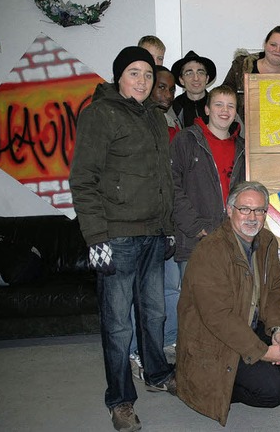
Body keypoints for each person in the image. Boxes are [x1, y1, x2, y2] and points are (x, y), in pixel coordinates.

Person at [69, 46, 177, 432]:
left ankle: (157, 372)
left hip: (152, 234)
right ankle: (119, 400)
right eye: (134, 73)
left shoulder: (154, 117)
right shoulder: (100, 114)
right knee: (118, 326)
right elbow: (83, 180)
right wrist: (96, 237)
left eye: (148, 75)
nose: (143, 81)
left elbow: (164, 181)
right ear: (119, 77)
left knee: (155, 313)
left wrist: (167, 228)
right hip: (117, 237)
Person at [176, 181, 280, 426]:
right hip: (217, 343)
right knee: (274, 393)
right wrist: (262, 351)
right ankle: (216, 391)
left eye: (259, 210)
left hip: (248, 327)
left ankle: (276, 370)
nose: (252, 217)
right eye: (244, 209)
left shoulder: (267, 242)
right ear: (230, 211)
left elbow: (274, 292)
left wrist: (278, 332)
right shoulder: (210, 251)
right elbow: (219, 318)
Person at [128, 66, 181, 381]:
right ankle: (136, 351)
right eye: (162, 87)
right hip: (142, 226)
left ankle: (165, 344)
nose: (166, 94)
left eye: (171, 89)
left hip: (168, 224)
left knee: (171, 289)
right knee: (143, 294)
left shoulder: (172, 125)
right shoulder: (139, 122)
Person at [170, 84, 245, 276]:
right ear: (207, 109)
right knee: (195, 303)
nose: (224, 110)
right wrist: (196, 227)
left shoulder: (243, 148)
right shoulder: (186, 140)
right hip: (196, 242)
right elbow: (171, 186)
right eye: (219, 104)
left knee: (231, 302)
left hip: (234, 240)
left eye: (230, 106)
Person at [222, 24, 280, 120]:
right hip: (244, 130)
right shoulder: (242, 67)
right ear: (265, 44)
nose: (277, 50)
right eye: (273, 45)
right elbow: (224, 95)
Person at [171, 50, 217, 127]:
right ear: (181, 80)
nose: (196, 78)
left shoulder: (220, 105)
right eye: (189, 73)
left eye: (200, 72)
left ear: (207, 78)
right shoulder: (174, 108)